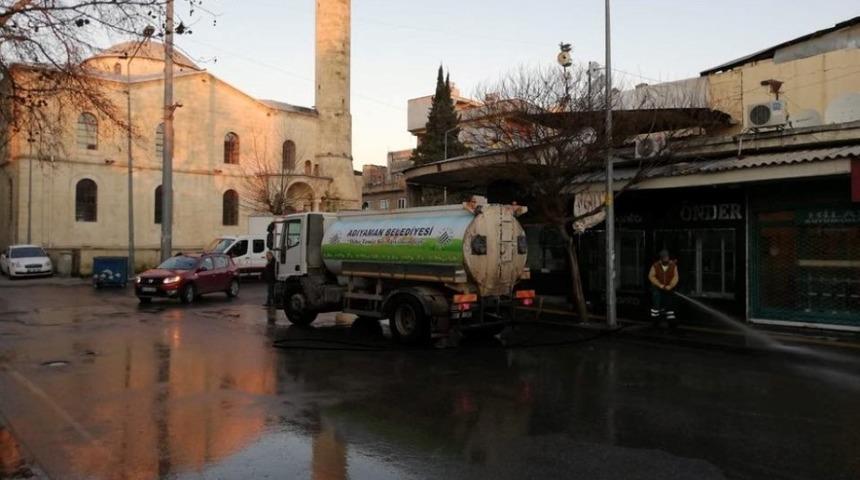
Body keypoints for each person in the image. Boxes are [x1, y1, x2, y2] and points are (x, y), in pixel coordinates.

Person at [648, 249, 679, 327]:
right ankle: (655, 321)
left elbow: (675, 277)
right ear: (661, 258)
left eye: (666, 257)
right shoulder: (655, 265)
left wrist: (670, 286)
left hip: (668, 287)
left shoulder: (673, 266)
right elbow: (651, 276)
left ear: (668, 257)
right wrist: (659, 285)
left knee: (669, 303)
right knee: (656, 304)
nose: (665, 259)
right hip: (657, 288)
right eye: (664, 258)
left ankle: (671, 321)